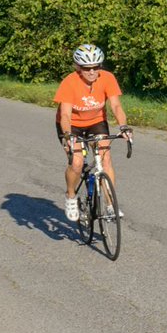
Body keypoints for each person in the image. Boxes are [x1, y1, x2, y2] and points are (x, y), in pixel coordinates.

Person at [55, 43, 130, 221]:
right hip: (72, 125)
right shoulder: (69, 82)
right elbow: (65, 115)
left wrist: (123, 127)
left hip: (96, 122)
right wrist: (68, 135)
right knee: (77, 163)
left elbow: (116, 106)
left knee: (106, 159)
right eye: (86, 68)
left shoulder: (108, 78)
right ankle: (71, 196)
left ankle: (110, 205)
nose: (91, 71)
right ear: (78, 67)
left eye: (96, 67)